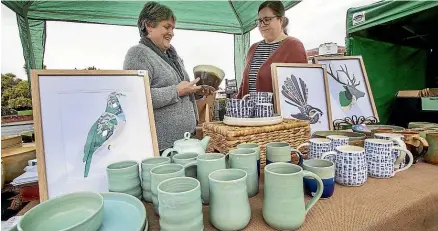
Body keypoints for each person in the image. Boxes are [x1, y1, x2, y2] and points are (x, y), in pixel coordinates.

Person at [123, 2, 213, 152]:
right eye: (166, 26)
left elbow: (180, 89)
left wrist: (195, 91)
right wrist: (177, 91)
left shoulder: (172, 56)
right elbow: (136, 98)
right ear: (149, 25)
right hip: (163, 147)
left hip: (184, 141)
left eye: (173, 28)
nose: (172, 32)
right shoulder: (138, 54)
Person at [237, 1, 308, 98]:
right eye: (259, 21)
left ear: (281, 20)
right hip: (249, 112)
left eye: (267, 19)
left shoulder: (294, 46)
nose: (262, 24)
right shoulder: (253, 48)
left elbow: (300, 87)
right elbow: (243, 85)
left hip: (278, 113)